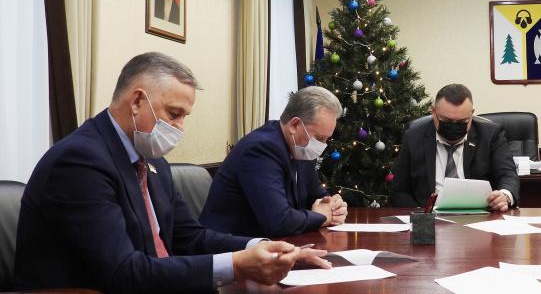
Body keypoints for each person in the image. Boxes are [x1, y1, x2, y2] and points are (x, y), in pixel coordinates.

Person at [14, 52, 329, 293]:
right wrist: (235, 266)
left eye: (183, 117)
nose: (179, 128)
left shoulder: (152, 161)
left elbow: (189, 236)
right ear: (137, 101)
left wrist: (262, 247)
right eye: (174, 114)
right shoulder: (80, 161)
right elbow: (124, 272)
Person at [200, 86, 348, 237]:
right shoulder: (261, 149)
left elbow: (317, 196)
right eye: (319, 138)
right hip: (232, 246)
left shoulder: (300, 148)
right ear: (294, 125)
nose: (322, 146)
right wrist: (321, 216)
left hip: (275, 244)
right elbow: (279, 221)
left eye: (326, 139)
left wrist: (333, 207)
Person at [391, 83, 520, 211]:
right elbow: (399, 189)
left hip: (480, 216)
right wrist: (420, 214)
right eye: (447, 121)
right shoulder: (414, 137)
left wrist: (505, 196)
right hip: (428, 216)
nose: (454, 126)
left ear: (471, 115)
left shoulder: (490, 135)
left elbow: (507, 174)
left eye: (462, 122)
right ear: (434, 112)